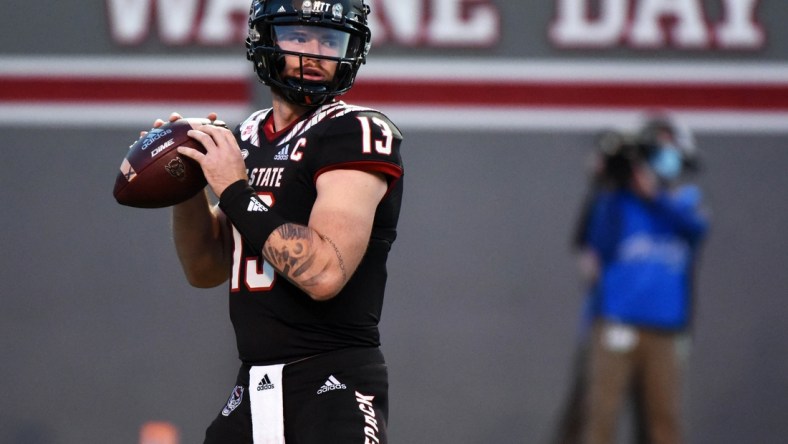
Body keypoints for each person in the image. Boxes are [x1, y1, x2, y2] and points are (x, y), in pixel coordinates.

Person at [147, 1, 404, 442]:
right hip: (254, 386)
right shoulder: (247, 135)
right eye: (298, 36)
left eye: (329, 40)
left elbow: (324, 272)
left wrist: (232, 190)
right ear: (266, 40)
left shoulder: (356, 130)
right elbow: (205, 269)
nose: (314, 53)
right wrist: (186, 183)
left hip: (332, 381)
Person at [579, 116, 709, 444]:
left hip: (665, 329)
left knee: (663, 421)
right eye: (654, 149)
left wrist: (654, 196)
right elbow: (594, 245)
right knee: (601, 417)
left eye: (668, 149)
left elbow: (695, 228)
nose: (660, 159)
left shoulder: (685, 201)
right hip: (616, 323)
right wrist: (608, 181)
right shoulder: (616, 204)